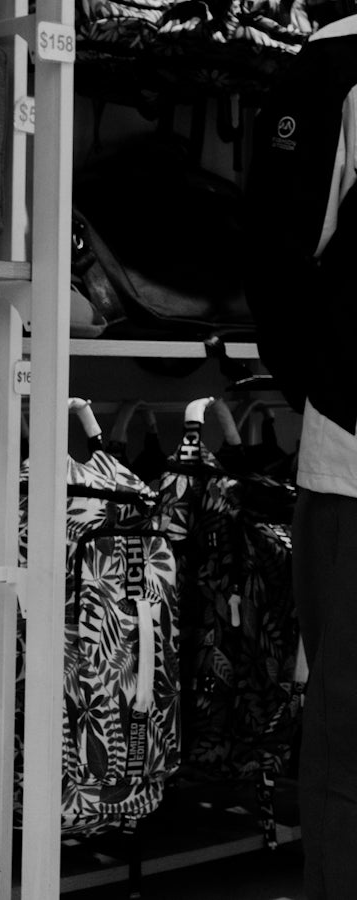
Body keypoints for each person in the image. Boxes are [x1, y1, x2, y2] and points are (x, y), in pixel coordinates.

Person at [245, 12, 357, 899]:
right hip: (355, 466)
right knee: (351, 738)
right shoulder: (338, 69)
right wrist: (338, 388)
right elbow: (281, 267)